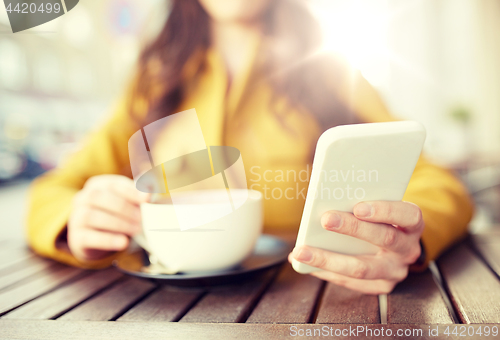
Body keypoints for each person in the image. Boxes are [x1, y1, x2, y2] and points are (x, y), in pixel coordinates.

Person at [27, 0, 473, 295]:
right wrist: (75, 220)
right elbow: (56, 190)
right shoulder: (153, 81)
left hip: (315, 306)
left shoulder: (331, 73)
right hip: (160, 314)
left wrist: (407, 237)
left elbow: (436, 183)